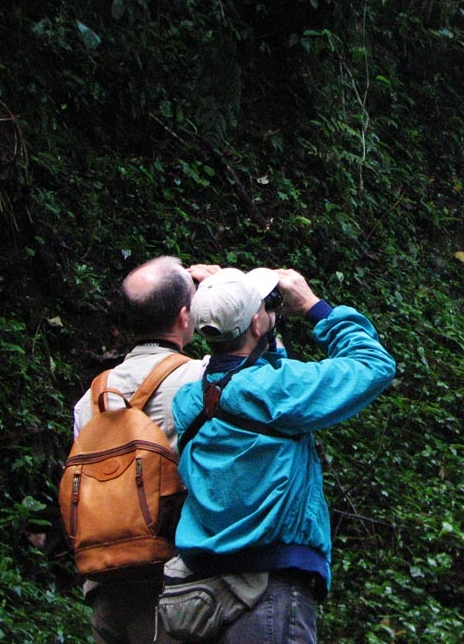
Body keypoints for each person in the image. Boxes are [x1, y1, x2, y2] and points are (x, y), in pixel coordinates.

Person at [170, 267, 396, 644]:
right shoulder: (278, 391)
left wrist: (222, 297)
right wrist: (312, 305)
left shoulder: (189, 401)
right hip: (269, 589)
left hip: (198, 592)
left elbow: (252, 385)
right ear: (256, 324)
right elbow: (373, 364)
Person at [71, 255, 218, 644]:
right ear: (186, 317)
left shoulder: (91, 398)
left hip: (106, 582)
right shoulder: (201, 378)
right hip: (176, 585)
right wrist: (223, 292)